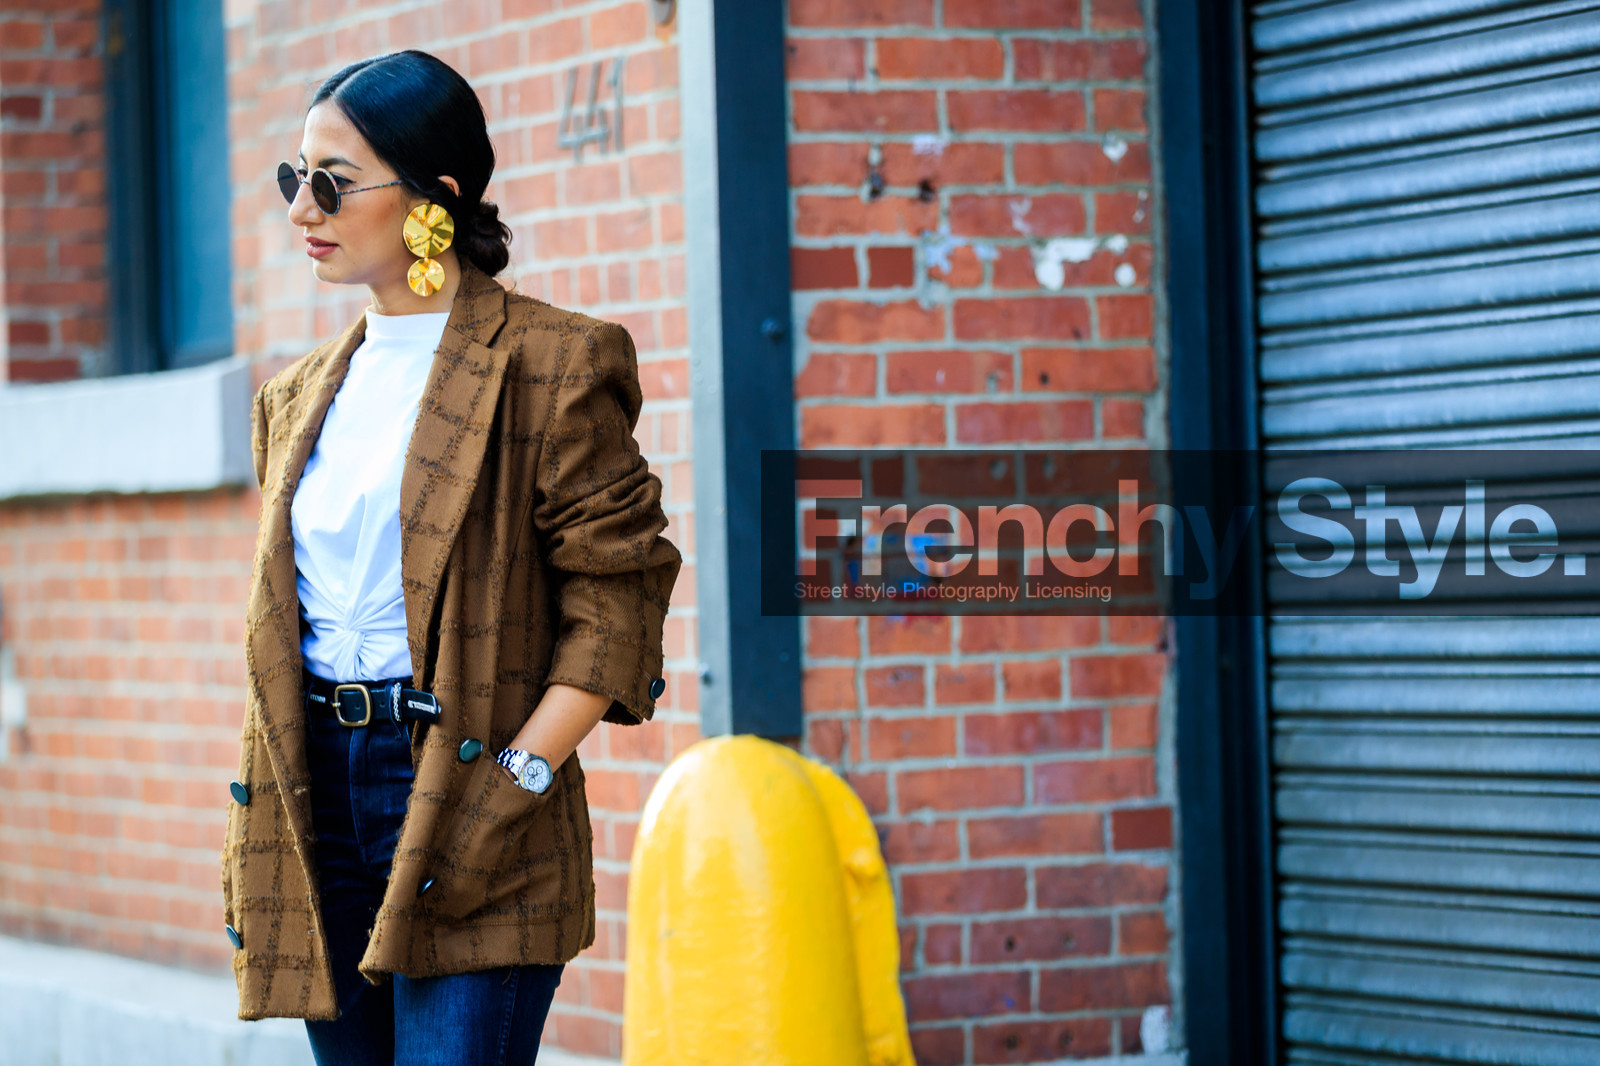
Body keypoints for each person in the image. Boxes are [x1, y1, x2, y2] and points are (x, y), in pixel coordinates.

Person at [219, 50, 681, 1066]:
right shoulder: (293, 398)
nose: (304, 208)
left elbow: (619, 594)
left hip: (469, 778)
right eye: (293, 177)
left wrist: (520, 772)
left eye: (333, 181)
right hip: (316, 787)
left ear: (437, 198)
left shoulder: (554, 363)